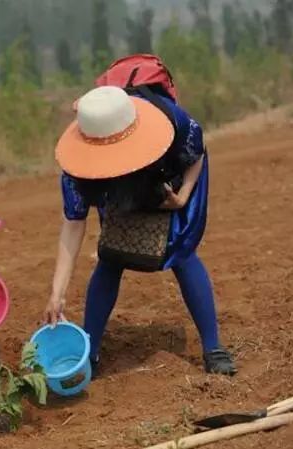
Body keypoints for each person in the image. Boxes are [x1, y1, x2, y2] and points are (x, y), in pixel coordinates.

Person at [43, 85, 237, 377]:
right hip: (116, 188)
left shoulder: (175, 124)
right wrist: (56, 293)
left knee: (181, 250)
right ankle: (90, 352)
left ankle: (213, 348)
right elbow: (73, 225)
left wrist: (182, 196)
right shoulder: (78, 172)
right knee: (112, 255)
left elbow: (197, 152)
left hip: (165, 176)